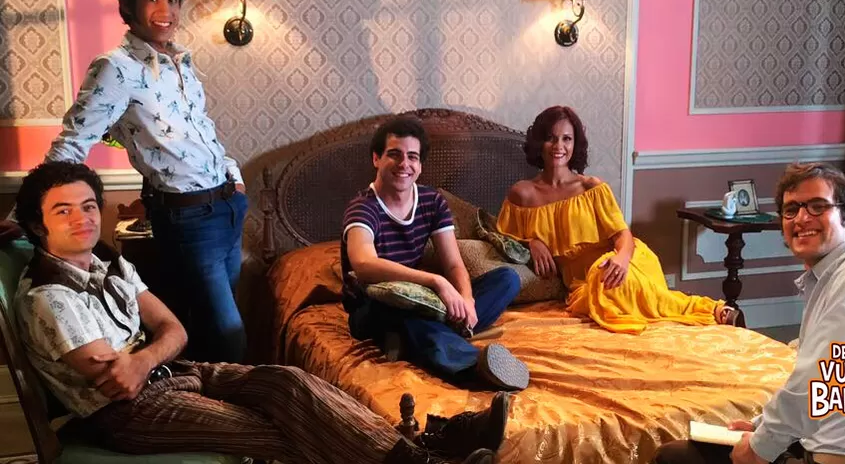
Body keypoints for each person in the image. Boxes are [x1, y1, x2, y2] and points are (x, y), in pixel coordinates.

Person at [11, 161, 510, 464]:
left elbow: (173, 328)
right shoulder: (49, 297)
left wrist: (145, 357)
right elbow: (118, 383)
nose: (83, 218)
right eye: (63, 210)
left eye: (88, 205)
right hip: (126, 413)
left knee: (290, 383)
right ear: (37, 225)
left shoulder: (111, 265)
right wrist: (149, 356)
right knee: (285, 426)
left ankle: (430, 439)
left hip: (173, 374)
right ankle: (428, 451)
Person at [653, 162, 845, 464]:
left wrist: (760, 447)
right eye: (791, 210)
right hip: (826, 443)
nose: (801, 218)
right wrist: (759, 426)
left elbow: (821, 377)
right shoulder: (834, 275)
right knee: (680, 452)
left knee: (676, 458)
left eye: (817, 206)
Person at [43, 0, 247, 363]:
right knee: (229, 335)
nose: (165, 11)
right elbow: (73, 142)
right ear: (128, 5)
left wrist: (234, 177)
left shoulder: (180, 62)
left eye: (172, 0)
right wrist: (28, 212)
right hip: (189, 219)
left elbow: (201, 128)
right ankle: (239, 402)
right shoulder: (115, 69)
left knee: (208, 331)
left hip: (228, 207)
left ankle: (206, 400)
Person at [496, 106, 739, 334]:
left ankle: (714, 310)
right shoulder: (522, 194)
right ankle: (713, 311)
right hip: (581, 280)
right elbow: (499, 237)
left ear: (575, 144)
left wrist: (621, 258)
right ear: (539, 142)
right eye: (551, 138)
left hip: (620, 259)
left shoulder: (592, 187)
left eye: (567, 138)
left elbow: (623, 235)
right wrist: (531, 243)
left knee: (621, 285)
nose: (559, 146)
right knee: (605, 292)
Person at [341, 116, 529, 391]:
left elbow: (453, 264)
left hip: (420, 301)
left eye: (412, 157)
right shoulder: (363, 207)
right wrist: (436, 282)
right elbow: (364, 264)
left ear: (420, 166)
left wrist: (466, 300)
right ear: (376, 159)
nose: (404, 164)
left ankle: (414, 339)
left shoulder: (431, 201)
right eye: (394, 154)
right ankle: (473, 367)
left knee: (507, 279)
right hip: (372, 307)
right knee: (404, 311)